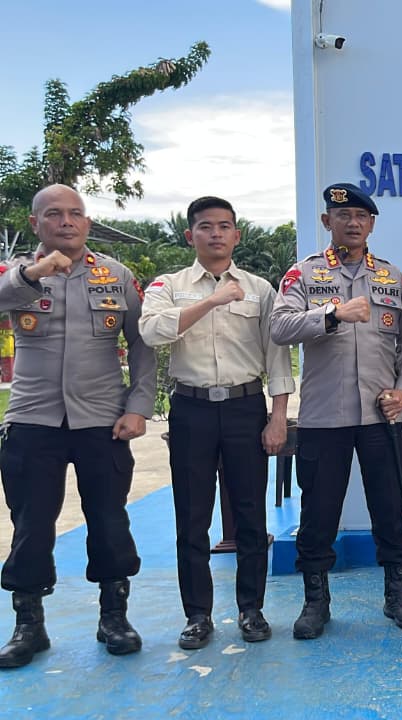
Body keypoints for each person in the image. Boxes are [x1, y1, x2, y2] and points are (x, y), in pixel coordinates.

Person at [0, 184, 156, 668]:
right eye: (54, 214)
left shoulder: (117, 275)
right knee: (31, 525)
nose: (66, 221)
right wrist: (32, 274)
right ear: (35, 223)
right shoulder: (15, 274)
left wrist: (139, 406)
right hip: (33, 418)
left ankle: (114, 618)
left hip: (101, 421)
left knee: (109, 520)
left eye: (75, 213)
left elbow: (143, 343)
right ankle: (29, 626)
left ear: (87, 223)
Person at [269, 182, 402, 639]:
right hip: (325, 417)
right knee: (319, 513)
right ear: (327, 222)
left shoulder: (392, 277)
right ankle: (315, 602)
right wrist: (332, 314)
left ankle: (398, 594)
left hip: (383, 417)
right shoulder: (303, 274)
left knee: (391, 509)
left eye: (361, 216)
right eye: (343, 216)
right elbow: (279, 327)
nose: (353, 223)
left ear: (371, 223)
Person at [139, 196, 295, 649]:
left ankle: (251, 609)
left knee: (250, 514)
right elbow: (151, 331)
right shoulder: (170, 285)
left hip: (246, 408)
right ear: (190, 235)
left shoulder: (259, 289)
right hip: (192, 410)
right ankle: (198, 615)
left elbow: (277, 358)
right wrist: (211, 301)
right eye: (206, 227)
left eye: (224, 226)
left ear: (236, 235)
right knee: (191, 517)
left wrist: (278, 417)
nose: (216, 234)